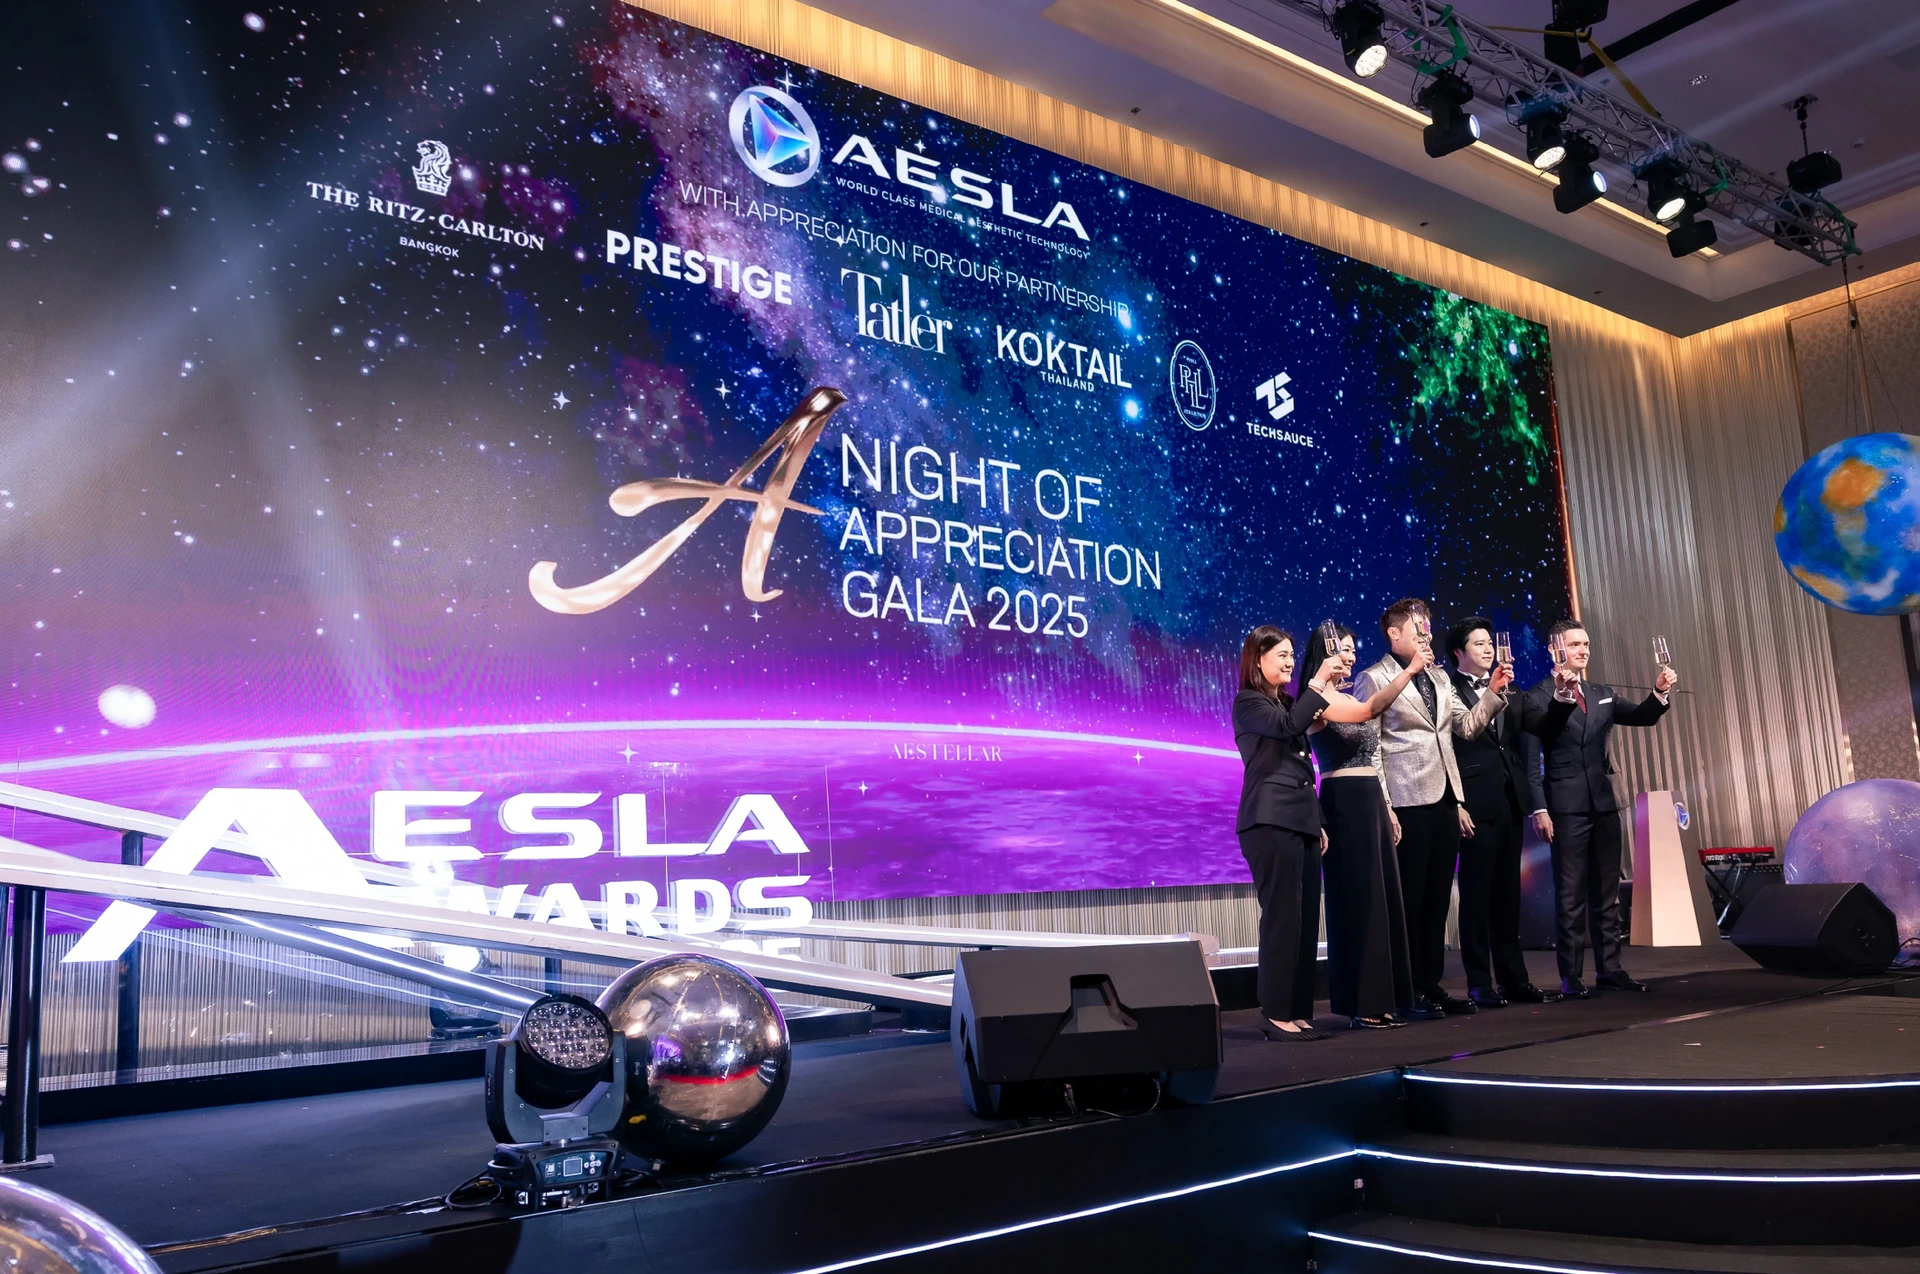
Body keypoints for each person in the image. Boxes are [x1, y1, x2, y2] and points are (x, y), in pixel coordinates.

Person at [1355, 599, 1510, 1019]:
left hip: (1444, 797)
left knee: (1438, 900)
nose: (1426, 636)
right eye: (1417, 630)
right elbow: (1370, 748)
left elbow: (1466, 728)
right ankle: (1406, 989)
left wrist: (1493, 692)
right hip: (1405, 800)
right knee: (1410, 899)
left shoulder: (1440, 676)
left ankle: (1430, 983)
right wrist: (1384, 806)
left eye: (1428, 628)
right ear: (1394, 634)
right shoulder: (1374, 678)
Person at [1522, 618, 1678, 998]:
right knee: (1570, 894)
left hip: (1606, 802)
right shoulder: (1536, 696)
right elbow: (1530, 761)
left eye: (1586, 644)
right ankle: (1571, 976)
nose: (1583, 650)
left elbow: (1641, 716)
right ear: (1555, 650)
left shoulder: (1600, 692)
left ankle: (1611, 969)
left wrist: (1659, 692)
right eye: (1575, 644)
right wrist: (1539, 809)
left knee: (1607, 892)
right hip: (1566, 806)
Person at [1299, 624, 1423, 1029]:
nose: (1350, 657)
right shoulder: (1315, 700)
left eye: (1353, 650)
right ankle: (1362, 1002)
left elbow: (1374, 755)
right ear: (1324, 653)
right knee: (1358, 901)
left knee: (1382, 899)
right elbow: (1370, 712)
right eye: (1342, 650)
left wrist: (1387, 806)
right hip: (1344, 803)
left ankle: (1387, 998)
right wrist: (1409, 671)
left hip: (1370, 799)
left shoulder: (1349, 695)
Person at [1445, 618, 1573, 1008]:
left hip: (1508, 801)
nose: (1488, 649)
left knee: (1507, 895)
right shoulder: (1446, 689)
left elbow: (1543, 728)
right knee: (1476, 895)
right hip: (1474, 802)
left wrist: (1562, 696)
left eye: (1491, 642)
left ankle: (1514, 980)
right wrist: (1456, 802)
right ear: (1459, 652)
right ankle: (1479, 983)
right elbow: (1447, 747)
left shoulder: (1512, 689)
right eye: (1479, 643)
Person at [1232, 627, 1337, 1041]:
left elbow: (1302, 766)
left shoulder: (1288, 702)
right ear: (1258, 660)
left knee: (1305, 918)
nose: (1290, 661)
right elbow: (1288, 727)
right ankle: (1275, 1013)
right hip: (1269, 819)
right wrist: (1319, 681)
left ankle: (1296, 1010)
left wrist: (1318, 820)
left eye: (1293, 654)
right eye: (1282, 655)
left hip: (1301, 818)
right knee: (1282, 917)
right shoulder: (1249, 702)